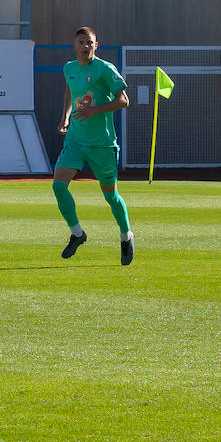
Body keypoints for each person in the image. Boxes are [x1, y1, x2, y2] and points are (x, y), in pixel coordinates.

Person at [53, 25, 134, 265]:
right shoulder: (69, 68)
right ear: (75, 45)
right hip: (76, 140)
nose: (85, 46)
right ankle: (77, 234)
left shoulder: (105, 69)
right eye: (81, 42)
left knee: (111, 196)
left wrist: (94, 110)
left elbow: (124, 100)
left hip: (102, 144)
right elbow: (70, 89)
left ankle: (126, 235)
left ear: (96, 45)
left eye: (90, 43)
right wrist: (65, 117)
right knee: (58, 186)